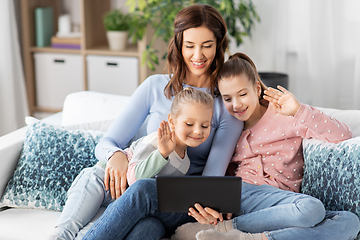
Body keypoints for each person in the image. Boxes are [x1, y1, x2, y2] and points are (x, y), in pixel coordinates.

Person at [50, 4, 242, 240]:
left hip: (179, 201)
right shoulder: (154, 87)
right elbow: (107, 142)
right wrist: (115, 155)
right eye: (190, 45)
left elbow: (211, 179)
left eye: (207, 46)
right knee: (145, 230)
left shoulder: (225, 106)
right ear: (179, 44)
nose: (198, 55)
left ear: (219, 45)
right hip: (138, 186)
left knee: (143, 193)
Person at [170, 52, 360, 240]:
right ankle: (229, 228)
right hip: (244, 196)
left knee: (350, 221)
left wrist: (298, 110)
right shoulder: (229, 126)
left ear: (257, 88)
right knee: (312, 208)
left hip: (282, 207)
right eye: (227, 99)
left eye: (242, 94)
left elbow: (343, 135)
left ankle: (249, 237)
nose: (236, 105)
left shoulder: (286, 115)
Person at [126, 88, 214, 186]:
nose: (198, 131)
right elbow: (133, 180)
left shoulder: (185, 164)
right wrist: (162, 154)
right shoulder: (157, 141)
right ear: (172, 122)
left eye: (205, 126)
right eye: (189, 124)